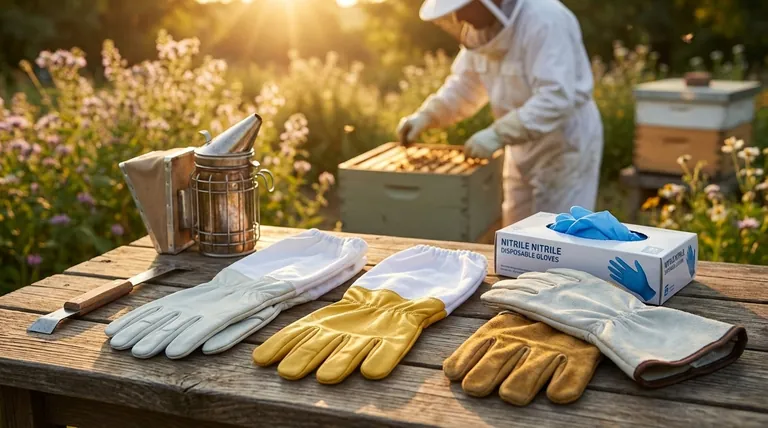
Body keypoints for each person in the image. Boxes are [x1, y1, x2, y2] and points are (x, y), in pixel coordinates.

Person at [398, 0, 604, 226]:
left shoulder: (545, 19)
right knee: (516, 231)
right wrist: (427, 115)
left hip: (564, 144)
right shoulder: (481, 34)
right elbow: (464, 86)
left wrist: (498, 134)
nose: (458, 19)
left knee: (559, 233)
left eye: (463, 8)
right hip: (520, 143)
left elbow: (556, 97)